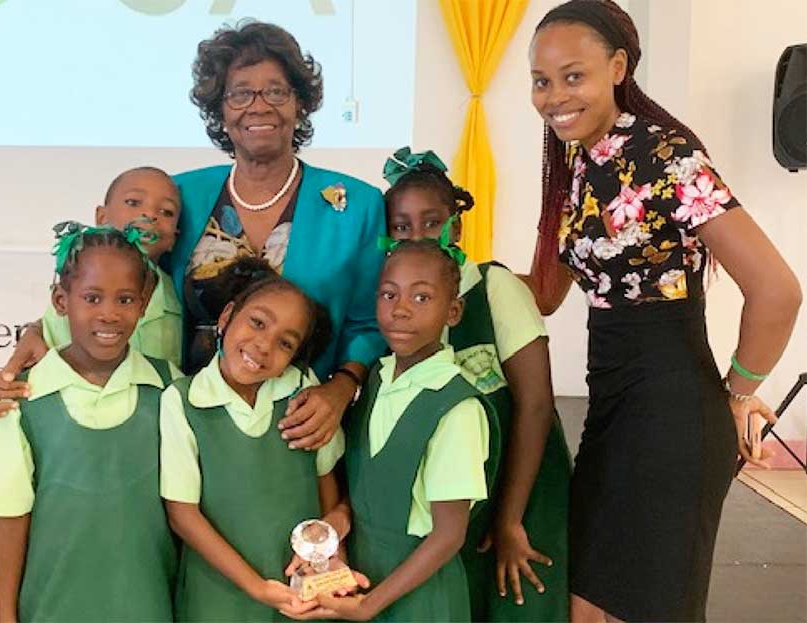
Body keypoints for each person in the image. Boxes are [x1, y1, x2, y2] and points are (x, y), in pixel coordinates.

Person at [526, 1, 802, 621]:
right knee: (586, 607)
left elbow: (777, 290)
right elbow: (545, 293)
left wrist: (737, 393)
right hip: (613, 412)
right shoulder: (577, 161)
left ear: (618, 66)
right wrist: (447, 276)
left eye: (574, 76)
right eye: (542, 80)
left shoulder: (665, 155)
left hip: (671, 419)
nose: (554, 96)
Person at [168, 20, 387, 450]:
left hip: (300, 425)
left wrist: (341, 389)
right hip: (184, 424)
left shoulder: (358, 205)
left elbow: (368, 322)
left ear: (299, 104)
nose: (259, 105)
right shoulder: (179, 195)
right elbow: (120, 272)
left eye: (276, 91)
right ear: (220, 110)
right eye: (240, 92)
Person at [383, 147, 572, 622]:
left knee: (521, 600)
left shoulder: (492, 287)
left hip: (521, 483)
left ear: (457, 227)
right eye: (402, 226)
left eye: (431, 222)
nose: (417, 236)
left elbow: (535, 405)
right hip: (459, 494)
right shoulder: (397, 305)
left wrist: (510, 519)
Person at [0, 223, 180, 622]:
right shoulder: (21, 400)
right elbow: (9, 519)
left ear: (144, 303)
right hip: (52, 606)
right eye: (92, 298)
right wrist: (5, 617)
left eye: (125, 299)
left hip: (149, 604)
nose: (109, 314)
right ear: (61, 301)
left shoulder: (170, 388)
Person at [300, 239, 493, 622]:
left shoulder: (456, 407)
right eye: (389, 295)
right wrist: (339, 519)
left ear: (452, 311)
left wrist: (369, 606)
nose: (400, 310)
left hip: (421, 599)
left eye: (421, 298)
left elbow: (448, 536)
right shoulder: (377, 379)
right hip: (364, 577)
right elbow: (375, 484)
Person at [160, 257, 355, 621]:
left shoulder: (302, 390)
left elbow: (324, 478)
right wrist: (256, 587)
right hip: (217, 599)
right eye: (257, 323)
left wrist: (329, 550)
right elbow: (183, 515)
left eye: (285, 343)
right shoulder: (183, 401)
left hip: (300, 592)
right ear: (226, 316)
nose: (264, 346)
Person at [0, 166, 183, 416]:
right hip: (72, 422)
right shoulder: (75, 282)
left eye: (166, 211)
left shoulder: (177, 296)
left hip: (148, 427)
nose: (149, 215)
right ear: (101, 217)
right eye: (133, 202)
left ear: (175, 236)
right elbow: (38, 356)